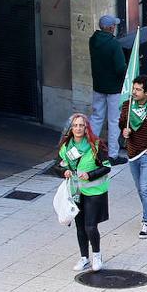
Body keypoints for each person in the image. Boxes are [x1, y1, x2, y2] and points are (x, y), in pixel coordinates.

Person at [58, 112, 112, 272]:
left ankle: (97, 256)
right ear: (71, 128)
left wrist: (89, 175)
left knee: (90, 226)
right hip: (76, 192)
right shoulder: (65, 146)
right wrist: (65, 171)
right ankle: (84, 258)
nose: (78, 128)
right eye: (75, 125)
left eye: (81, 125)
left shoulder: (96, 145)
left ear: (86, 127)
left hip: (94, 192)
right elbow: (59, 165)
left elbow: (107, 166)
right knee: (80, 227)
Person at [118, 74, 147, 239]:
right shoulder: (127, 105)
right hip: (132, 153)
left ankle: (146, 221)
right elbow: (121, 122)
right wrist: (124, 130)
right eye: (134, 89)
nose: (134, 92)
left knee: (145, 188)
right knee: (139, 188)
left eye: (138, 90)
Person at [88, 14, 126, 163]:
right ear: (110, 27)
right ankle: (113, 154)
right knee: (114, 120)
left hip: (98, 85)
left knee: (96, 118)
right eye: (114, 26)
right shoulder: (113, 44)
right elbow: (120, 67)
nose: (115, 27)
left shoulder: (93, 40)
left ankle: (90, 150)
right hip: (114, 88)